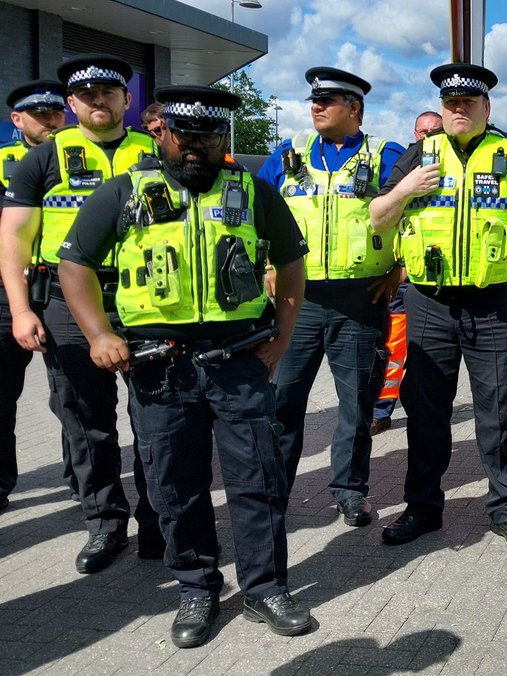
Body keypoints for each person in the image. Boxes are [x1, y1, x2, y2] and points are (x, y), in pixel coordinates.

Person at [57, 84, 312, 649]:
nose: (196, 146)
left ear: (224, 138)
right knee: (176, 485)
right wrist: (98, 333)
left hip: (240, 360)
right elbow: (72, 263)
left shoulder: (254, 191)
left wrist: (283, 339)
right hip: (159, 369)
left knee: (258, 480)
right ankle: (196, 585)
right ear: (162, 132)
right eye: (186, 135)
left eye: (210, 135)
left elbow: (292, 265)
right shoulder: (124, 191)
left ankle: (266, 588)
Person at [368, 63, 507, 550]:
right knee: (426, 412)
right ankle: (423, 508)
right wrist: (406, 188)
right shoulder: (418, 155)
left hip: (493, 304)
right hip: (429, 302)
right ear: (442, 110)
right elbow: (378, 218)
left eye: (468, 103)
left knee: (497, 409)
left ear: (486, 109)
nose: (459, 109)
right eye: (451, 103)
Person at [0, 55, 162, 571]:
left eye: (108, 93)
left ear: (125, 100)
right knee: (86, 422)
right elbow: (14, 241)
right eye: (87, 96)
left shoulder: (155, 153)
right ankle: (105, 526)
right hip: (66, 304)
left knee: (155, 420)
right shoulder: (43, 159)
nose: (99, 102)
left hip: (145, 301)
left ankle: (159, 525)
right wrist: (22, 310)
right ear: (71, 105)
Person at [257, 67, 404, 527]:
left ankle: (350, 491)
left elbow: (416, 214)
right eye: (314, 100)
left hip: (361, 301)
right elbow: (255, 209)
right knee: (282, 403)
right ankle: (273, 495)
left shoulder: (386, 154)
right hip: (297, 302)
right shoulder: (288, 153)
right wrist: (264, 266)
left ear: (355, 107)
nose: (316, 107)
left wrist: (400, 267)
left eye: (329, 100)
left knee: (357, 404)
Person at [0, 80, 67, 512]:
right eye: (39, 115)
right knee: (3, 395)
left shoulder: (81, 156)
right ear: (17, 119)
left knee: (71, 394)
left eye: (56, 113)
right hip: (9, 294)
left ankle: (83, 476)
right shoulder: (3, 162)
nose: (49, 121)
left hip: (64, 288)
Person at [370, 110, 443, 436]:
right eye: (422, 131)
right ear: (414, 134)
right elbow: (383, 219)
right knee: (394, 346)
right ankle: (381, 410)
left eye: (434, 131)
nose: (427, 137)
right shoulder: (399, 171)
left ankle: (420, 406)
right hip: (397, 277)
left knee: (425, 352)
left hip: (431, 281)